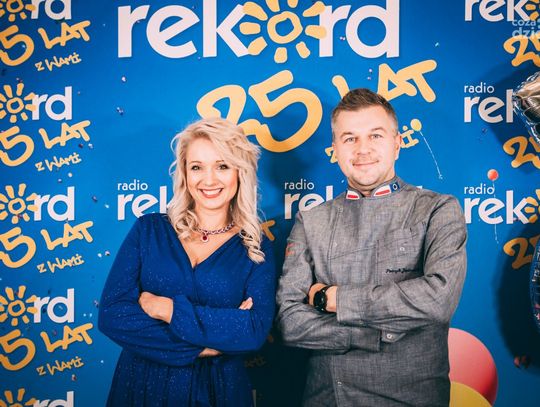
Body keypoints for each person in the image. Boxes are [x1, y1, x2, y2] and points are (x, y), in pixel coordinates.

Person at [276, 88, 467, 406]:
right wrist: (370, 334)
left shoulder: (437, 209)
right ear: (335, 149)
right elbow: (290, 321)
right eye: (349, 138)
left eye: (375, 136)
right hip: (329, 398)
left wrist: (333, 299)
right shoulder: (311, 220)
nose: (362, 149)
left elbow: (437, 299)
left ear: (397, 143)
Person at [98, 117, 276, 406]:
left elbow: (253, 330)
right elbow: (113, 315)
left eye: (222, 166)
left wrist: (167, 309)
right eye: (197, 167)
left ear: (240, 172)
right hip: (142, 385)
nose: (209, 180)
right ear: (184, 173)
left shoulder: (256, 247)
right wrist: (203, 346)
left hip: (219, 390)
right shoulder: (149, 230)